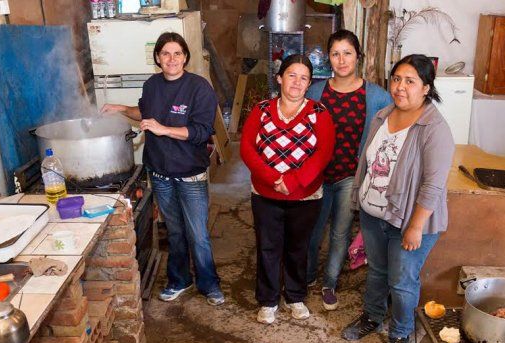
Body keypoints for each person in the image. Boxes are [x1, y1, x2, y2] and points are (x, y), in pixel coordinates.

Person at [341, 54, 454, 343]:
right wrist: (358, 201)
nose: (400, 87)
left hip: (408, 221)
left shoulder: (434, 128)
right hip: (373, 214)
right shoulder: (383, 115)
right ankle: (373, 317)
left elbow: (433, 185)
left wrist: (416, 226)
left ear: (426, 88)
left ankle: (402, 335)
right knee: (377, 271)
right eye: (396, 79)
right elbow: (366, 162)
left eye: (410, 81)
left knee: (402, 281)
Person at [101, 32, 224, 306]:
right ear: (157, 58)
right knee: (175, 231)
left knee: (198, 234)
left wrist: (163, 129)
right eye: (166, 53)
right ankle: (180, 279)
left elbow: (201, 132)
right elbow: (144, 112)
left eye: (177, 53)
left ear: (185, 57)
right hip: (160, 173)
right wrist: (120, 108)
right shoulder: (152, 85)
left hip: (190, 174)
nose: (171, 59)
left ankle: (209, 283)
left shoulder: (199, 87)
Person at [240, 54, 335, 325]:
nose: (297, 82)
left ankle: (295, 296)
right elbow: (247, 148)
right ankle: (268, 300)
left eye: (304, 77)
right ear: (280, 78)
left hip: (305, 196)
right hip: (265, 194)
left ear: (309, 84)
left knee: (298, 247)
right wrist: (273, 178)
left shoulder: (319, 113)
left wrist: (292, 182)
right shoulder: (261, 109)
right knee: (268, 247)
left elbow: (323, 153)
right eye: (292, 75)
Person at [305, 29, 393, 311]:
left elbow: (387, 137)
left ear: (358, 57)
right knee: (312, 230)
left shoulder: (376, 96)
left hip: (350, 176)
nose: (341, 60)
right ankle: (304, 277)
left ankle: (329, 282)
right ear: (328, 58)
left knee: (340, 232)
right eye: (335, 54)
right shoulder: (316, 91)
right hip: (317, 176)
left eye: (347, 53)